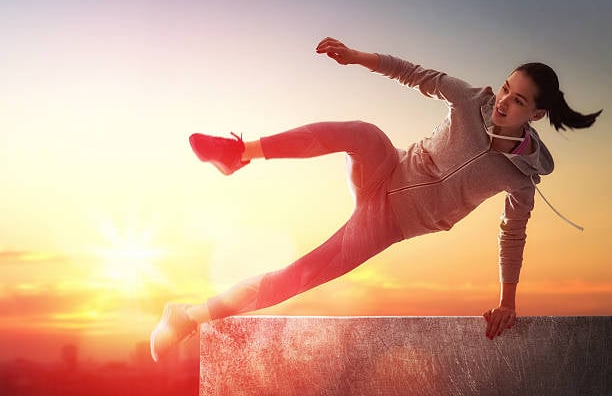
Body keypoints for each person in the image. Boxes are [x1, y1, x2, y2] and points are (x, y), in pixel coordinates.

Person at [149, 37, 602, 362]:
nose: (502, 102)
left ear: (537, 115)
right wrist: (357, 57)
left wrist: (508, 301)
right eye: (505, 88)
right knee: (364, 134)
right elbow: (416, 75)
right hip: (387, 168)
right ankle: (238, 153)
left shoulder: (520, 179)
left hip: (390, 224)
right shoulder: (471, 101)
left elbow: (512, 235)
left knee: (300, 274)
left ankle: (188, 316)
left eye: (518, 101)